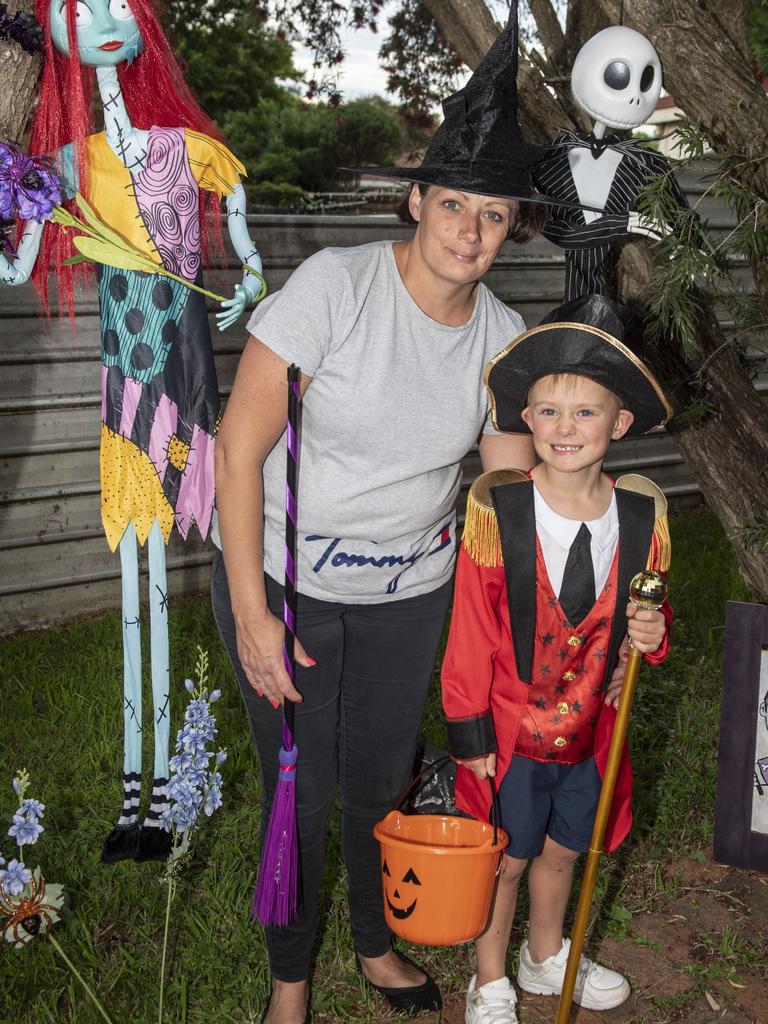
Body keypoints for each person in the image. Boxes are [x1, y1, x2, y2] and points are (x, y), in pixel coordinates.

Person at [210, 7, 572, 1022]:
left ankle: (373, 947)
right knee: (306, 791)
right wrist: (249, 616)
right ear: (417, 198)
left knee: (379, 782)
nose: (470, 231)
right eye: (454, 204)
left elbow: (503, 501)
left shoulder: (504, 339)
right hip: (288, 583)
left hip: (412, 595)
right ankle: (291, 982)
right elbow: (238, 453)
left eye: (494, 215)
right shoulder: (337, 289)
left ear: (513, 229)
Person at [0, 0, 263, 863]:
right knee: (134, 581)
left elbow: (244, 227)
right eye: (81, 9)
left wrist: (250, 275)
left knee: (162, 562)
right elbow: (18, 261)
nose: (105, 18)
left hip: (183, 372)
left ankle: (160, 801)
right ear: (59, 33)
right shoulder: (66, 165)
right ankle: (138, 800)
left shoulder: (186, 149)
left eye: (117, 4)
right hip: (125, 384)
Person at [441, 294, 674, 1024]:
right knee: (505, 859)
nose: (564, 429)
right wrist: (471, 738)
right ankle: (489, 978)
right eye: (547, 412)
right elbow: (470, 636)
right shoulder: (500, 512)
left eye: (585, 413)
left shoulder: (641, 517)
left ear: (620, 422)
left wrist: (651, 635)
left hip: (587, 738)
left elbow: (648, 623)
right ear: (524, 419)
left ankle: (543, 958)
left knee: (565, 852)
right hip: (511, 738)